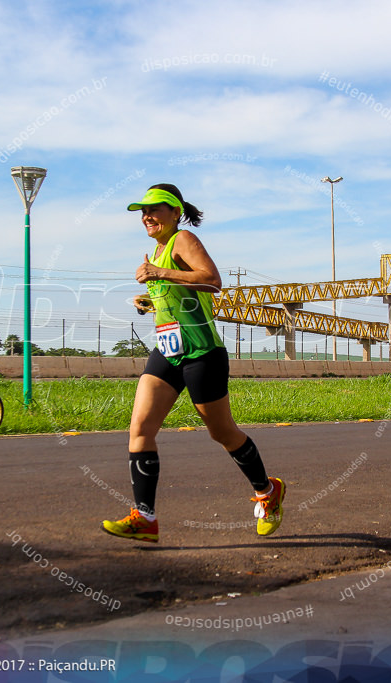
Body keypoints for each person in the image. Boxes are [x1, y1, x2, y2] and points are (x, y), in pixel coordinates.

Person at [101, 183, 286, 543]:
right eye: (143, 212)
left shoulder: (182, 240)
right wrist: (150, 300)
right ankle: (145, 518)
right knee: (139, 427)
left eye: (155, 210)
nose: (147, 217)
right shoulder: (155, 251)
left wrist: (160, 274)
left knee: (222, 433)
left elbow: (212, 281)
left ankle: (268, 492)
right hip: (168, 351)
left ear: (175, 212)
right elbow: (182, 298)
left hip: (202, 352)